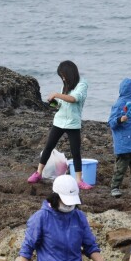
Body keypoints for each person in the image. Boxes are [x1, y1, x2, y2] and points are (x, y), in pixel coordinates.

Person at [28, 60, 92, 189]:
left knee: (75, 152)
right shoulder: (65, 85)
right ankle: (38, 173)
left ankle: (79, 181)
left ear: (70, 73)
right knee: (48, 147)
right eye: (61, 76)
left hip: (73, 123)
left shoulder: (82, 84)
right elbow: (62, 103)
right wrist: (55, 102)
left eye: (63, 75)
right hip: (59, 120)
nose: (62, 78)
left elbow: (74, 99)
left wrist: (57, 94)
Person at [107, 77, 131, 197]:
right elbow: (111, 122)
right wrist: (120, 119)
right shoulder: (119, 105)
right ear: (130, 92)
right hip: (124, 144)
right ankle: (115, 187)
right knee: (121, 167)